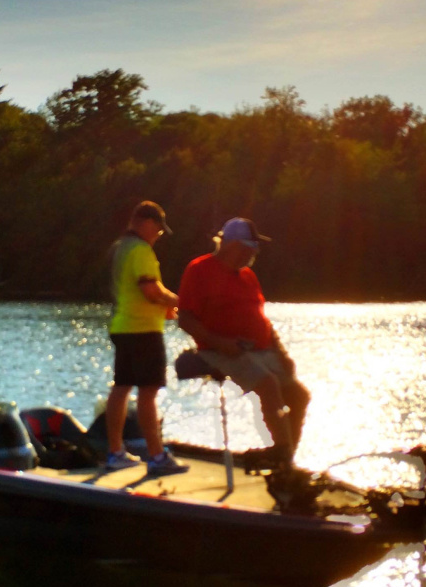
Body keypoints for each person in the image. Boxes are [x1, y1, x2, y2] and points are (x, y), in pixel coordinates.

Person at [177, 218, 310, 462]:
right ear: (232, 245)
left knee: (299, 395)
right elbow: (185, 318)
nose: (254, 252)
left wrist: (281, 353)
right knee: (268, 384)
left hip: (260, 349)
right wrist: (219, 342)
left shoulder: (248, 276)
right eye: (250, 246)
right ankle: (282, 452)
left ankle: (286, 455)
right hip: (220, 350)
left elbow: (262, 321)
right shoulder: (200, 270)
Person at [105, 201, 190, 476]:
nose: (158, 235)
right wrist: (179, 302)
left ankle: (115, 452)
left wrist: (164, 304)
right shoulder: (140, 250)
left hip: (123, 326)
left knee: (122, 388)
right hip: (142, 331)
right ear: (146, 223)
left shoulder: (121, 247)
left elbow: (141, 289)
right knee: (148, 391)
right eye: (158, 230)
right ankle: (156, 456)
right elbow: (150, 290)